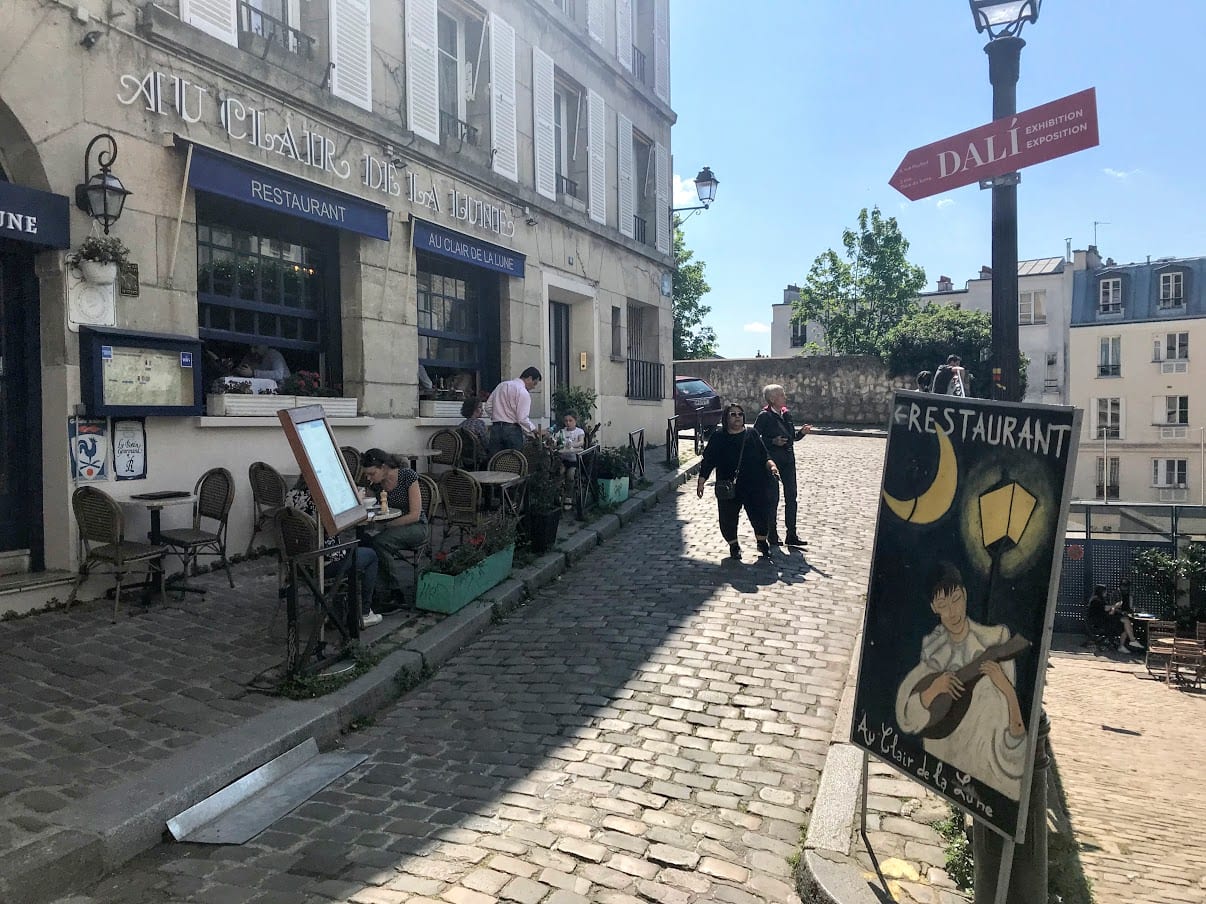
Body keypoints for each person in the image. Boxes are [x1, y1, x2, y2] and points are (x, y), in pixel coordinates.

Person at [895, 562, 1026, 800]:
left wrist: (1006, 689)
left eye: (956, 599)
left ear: (965, 595)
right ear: (934, 607)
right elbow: (907, 718)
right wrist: (934, 689)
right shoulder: (932, 650)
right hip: (943, 765)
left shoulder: (995, 640)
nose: (952, 611)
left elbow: (1014, 730)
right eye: (943, 605)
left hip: (990, 770)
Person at [286, 479, 381, 628]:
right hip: (325, 563)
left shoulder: (290, 495)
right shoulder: (323, 500)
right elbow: (343, 524)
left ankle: (335, 607)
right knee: (370, 555)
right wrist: (356, 503)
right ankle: (364, 612)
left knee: (356, 547)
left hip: (298, 563)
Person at [696, 403, 780, 559]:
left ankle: (762, 542)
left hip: (754, 484)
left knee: (760, 514)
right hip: (728, 485)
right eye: (733, 414)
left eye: (740, 414)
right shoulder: (719, 437)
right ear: (726, 418)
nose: (737, 417)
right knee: (728, 518)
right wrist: (702, 480)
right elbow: (708, 460)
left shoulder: (752, 434)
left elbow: (764, 455)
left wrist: (772, 466)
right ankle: (734, 546)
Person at [360, 448, 428, 609]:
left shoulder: (407, 476)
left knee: (380, 542)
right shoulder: (376, 485)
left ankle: (395, 591)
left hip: (415, 527)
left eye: (371, 473)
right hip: (388, 527)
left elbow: (415, 514)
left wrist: (386, 525)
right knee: (364, 541)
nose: (369, 478)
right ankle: (372, 590)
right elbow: (369, 507)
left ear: (383, 468)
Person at [753, 384, 810, 548]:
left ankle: (791, 534)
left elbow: (792, 437)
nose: (785, 397)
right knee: (773, 499)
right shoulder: (764, 416)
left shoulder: (786, 414)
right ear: (772, 399)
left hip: (788, 461)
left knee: (792, 497)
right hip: (773, 462)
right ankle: (772, 535)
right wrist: (773, 441)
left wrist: (802, 434)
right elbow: (755, 438)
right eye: (781, 395)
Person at [485, 366, 543, 455]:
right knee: (514, 462)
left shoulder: (501, 385)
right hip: (512, 430)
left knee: (494, 460)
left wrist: (497, 416)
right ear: (529, 378)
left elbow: (488, 407)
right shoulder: (523, 392)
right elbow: (522, 419)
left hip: (496, 428)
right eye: (534, 383)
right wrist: (535, 430)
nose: (533, 387)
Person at [1107, 579, 1143, 653]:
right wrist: (1122, 612)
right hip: (1116, 617)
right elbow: (1112, 607)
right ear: (1120, 586)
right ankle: (1132, 641)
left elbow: (1130, 607)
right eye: (1124, 586)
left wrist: (1134, 610)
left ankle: (1122, 646)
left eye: (1126, 586)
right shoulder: (1115, 594)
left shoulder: (1129, 594)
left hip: (1127, 615)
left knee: (1128, 626)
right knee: (1127, 623)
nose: (1125, 588)